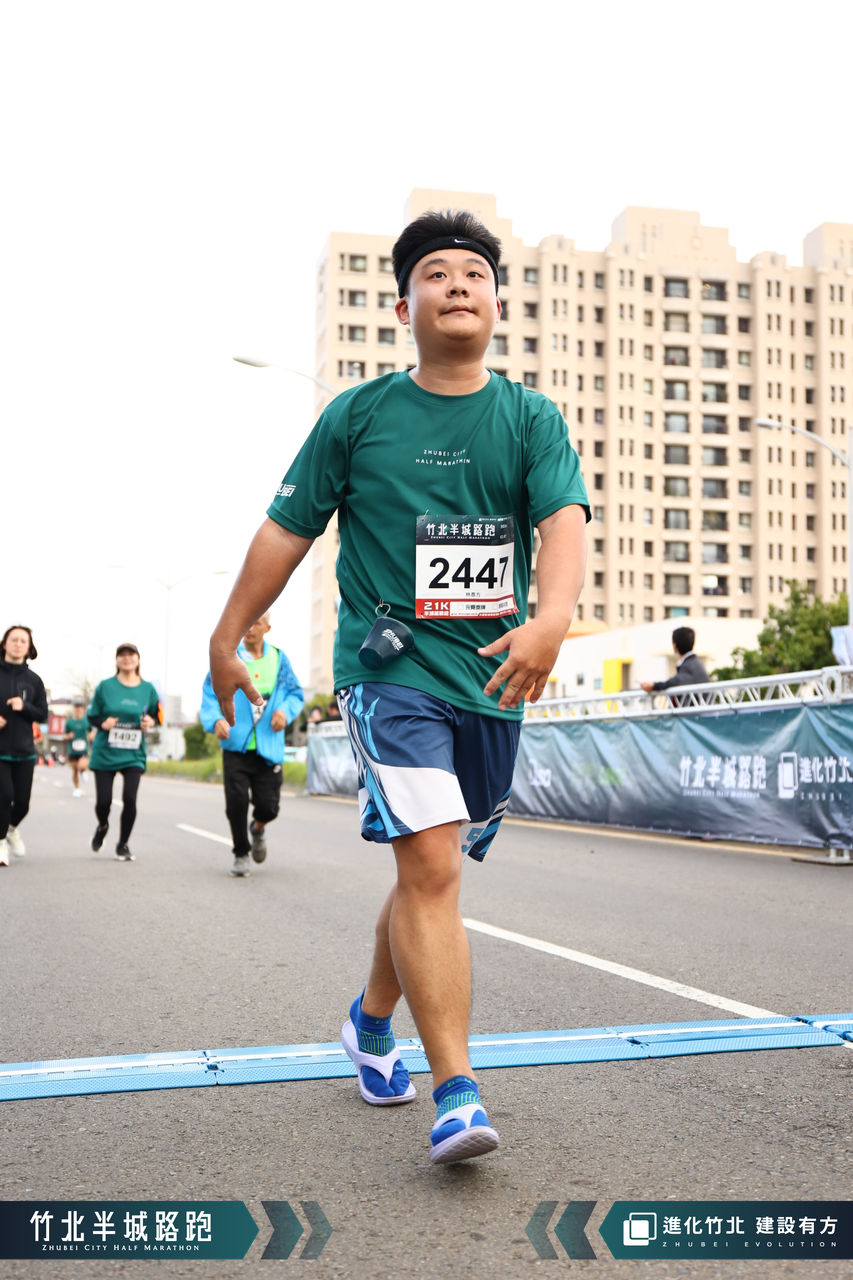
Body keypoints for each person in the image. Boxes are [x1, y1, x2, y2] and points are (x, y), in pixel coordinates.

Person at [209, 207, 588, 1164]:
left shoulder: (530, 418)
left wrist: (549, 619)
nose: (458, 285)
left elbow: (563, 522)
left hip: (491, 677)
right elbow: (285, 530)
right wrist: (224, 634)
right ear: (402, 306)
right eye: (436, 274)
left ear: (496, 302)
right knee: (433, 867)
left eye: (475, 274)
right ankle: (456, 1095)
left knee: (432, 864)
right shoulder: (357, 415)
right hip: (389, 675)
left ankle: (369, 1021)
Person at [200, 612, 303, 877]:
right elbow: (210, 694)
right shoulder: (227, 659)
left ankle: (257, 828)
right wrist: (215, 721)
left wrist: (284, 712)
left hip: (269, 747)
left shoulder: (279, 659)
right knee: (236, 804)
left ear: (267, 627)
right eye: (247, 621)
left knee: (269, 807)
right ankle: (241, 853)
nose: (249, 627)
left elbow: (294, 693)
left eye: (256, 621)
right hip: (236, 745)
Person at [87, 643, 161, 861]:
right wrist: (103, 723)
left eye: (131, 654)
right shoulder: (105, 686)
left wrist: (151, 721)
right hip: (106, 753)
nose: (127, 658)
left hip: (133, 754)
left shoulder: (148, 689)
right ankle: (102, 825)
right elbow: (92, 715)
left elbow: (157, 715)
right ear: (116, 660)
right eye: (122, 655)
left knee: (130, 798)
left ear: (138, 660)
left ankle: (123, 844)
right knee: (104, 802)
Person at [0, 625, 48, 866]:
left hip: (25, 750)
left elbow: (43, 714)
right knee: (4, 795)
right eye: (14, 639)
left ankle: (10, 829)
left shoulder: (34, 681)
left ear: (29, 648)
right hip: (0, 751)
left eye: (23, 641)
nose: (18, 644)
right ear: (4, 643)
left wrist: (24, 706)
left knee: (22, 803)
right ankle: (0, 844)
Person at [640, 626, 711, 698]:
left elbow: (676, 681)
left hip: (698, 704)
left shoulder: (689, 665)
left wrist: (654, 686)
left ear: (674, 645)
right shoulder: (695, 662)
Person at [64, 701, 91, 796]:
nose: (78, 710)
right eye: (76, 708)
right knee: (75, 769)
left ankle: (83, 771)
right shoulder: (69, 722)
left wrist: (90, 736)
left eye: (80, 708)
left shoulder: (86, 721)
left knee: (82, 765)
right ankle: (76, 788)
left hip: (83, 748)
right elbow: (64, 736)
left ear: (83, 710)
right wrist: (69, 736)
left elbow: (91, 732)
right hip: (73, 749)